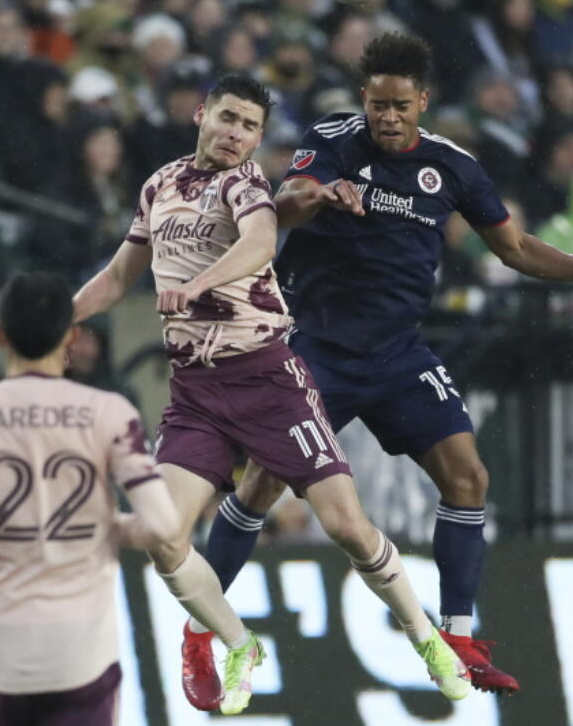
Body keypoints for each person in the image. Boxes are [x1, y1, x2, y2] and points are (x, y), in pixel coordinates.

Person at [195, 33, 573, 697]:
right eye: (378, 104)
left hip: (399, 352)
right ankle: (202, 632)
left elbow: (515, 247)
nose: (388, 117)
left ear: (422, 101)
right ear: (364, 99)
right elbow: (279, 207)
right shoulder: (333, 140)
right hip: (316, 344)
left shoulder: (454, 167)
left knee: (468, 475)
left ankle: (458, 638)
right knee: (261, 482)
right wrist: (320, 195)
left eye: (401, 105)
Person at [72, 73, 473, 712]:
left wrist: (200, 283)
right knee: (163, 536)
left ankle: (426, 638)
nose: (235, 135)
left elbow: (261, 242)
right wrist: (59, 319)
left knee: (346, 526)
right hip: (196, 393)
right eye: (227, 119)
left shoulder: (249, 184)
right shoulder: (160, 185)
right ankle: (237, 643)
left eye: (249, 128)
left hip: (267, 380)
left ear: (260, 139)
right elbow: (120, 275)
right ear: (201, 114)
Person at [0, 271, 266, 721]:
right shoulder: (110, 413)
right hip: (81, 657)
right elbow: (162, 525)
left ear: (0, 336)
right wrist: (99, 524)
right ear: (71, 337)